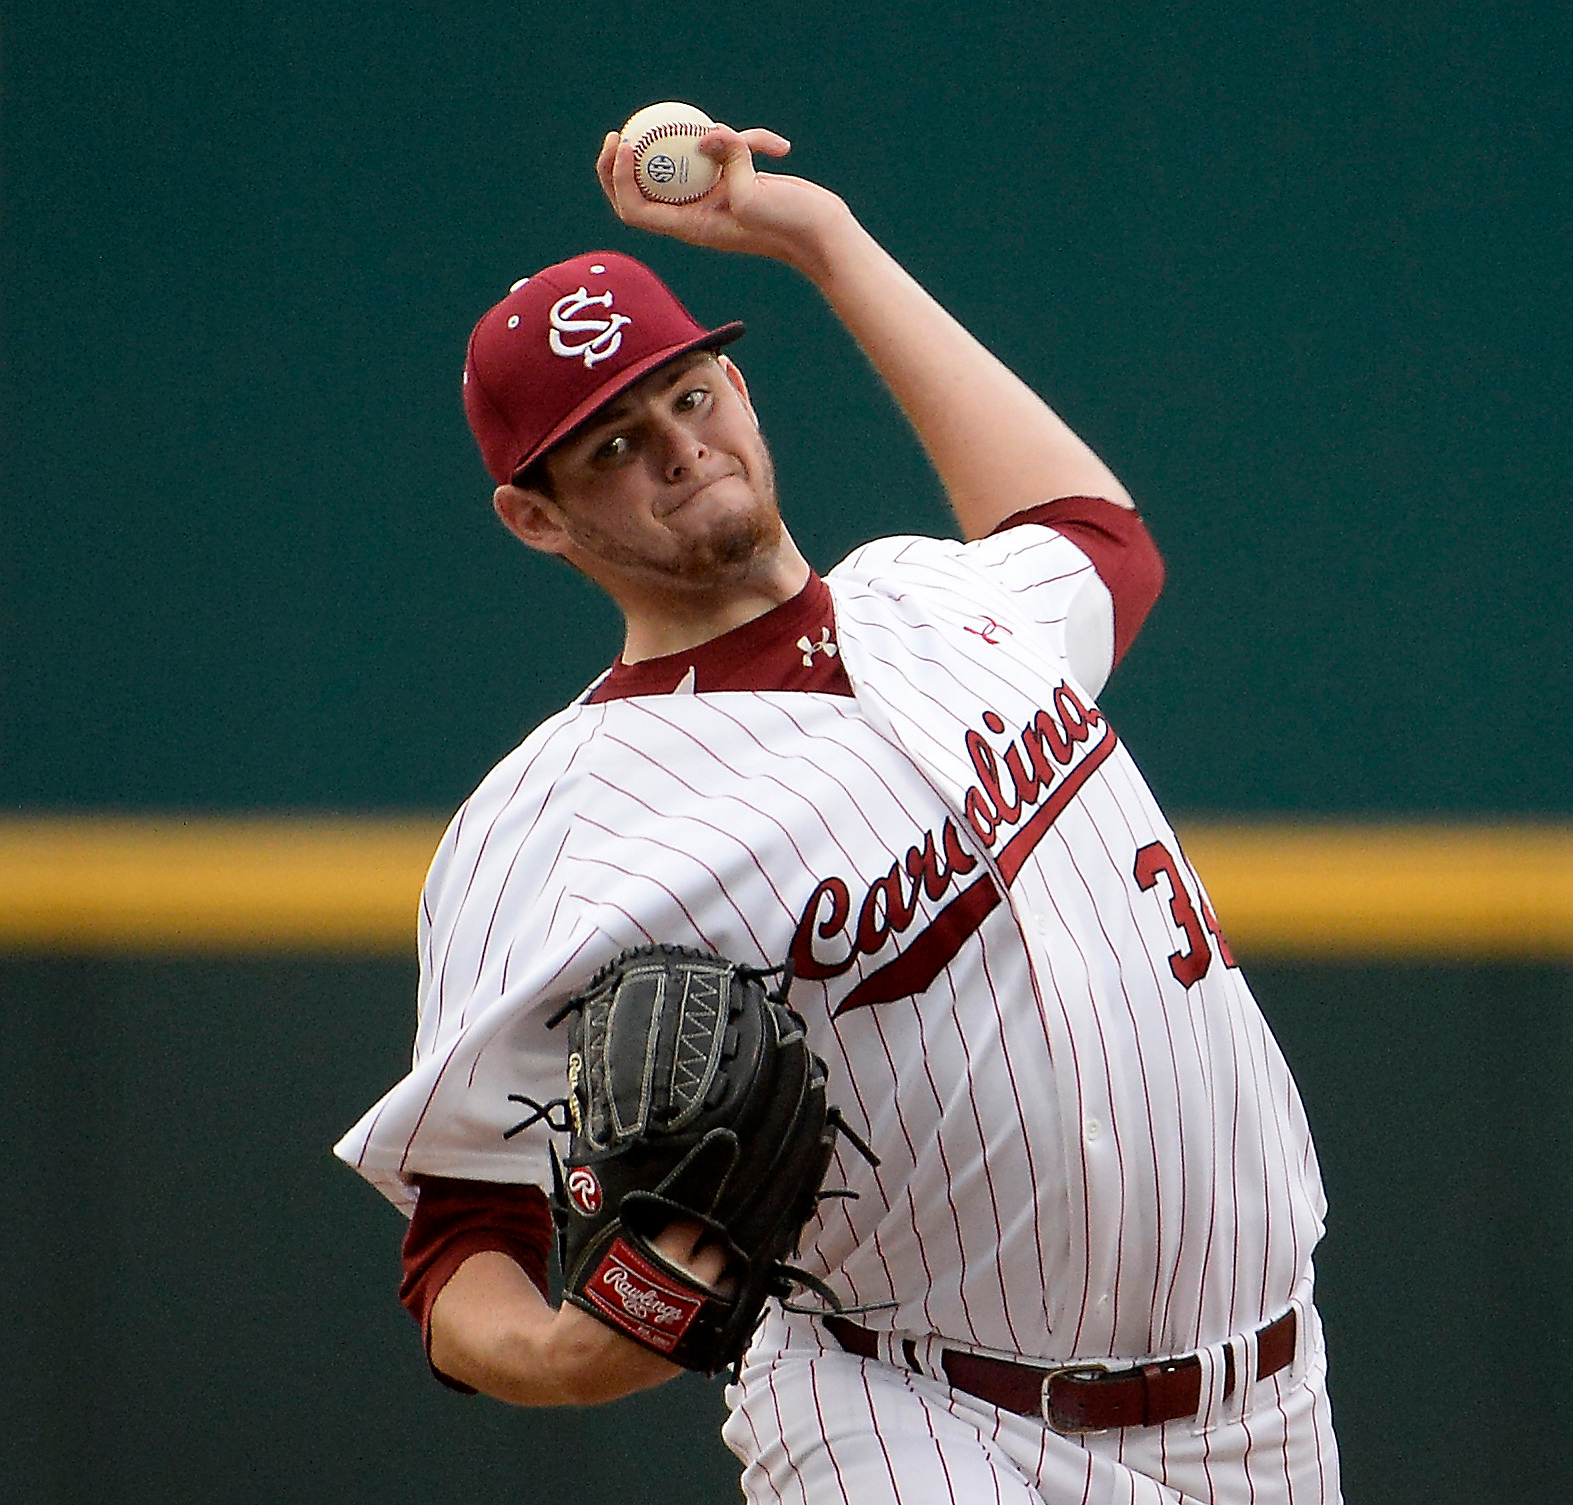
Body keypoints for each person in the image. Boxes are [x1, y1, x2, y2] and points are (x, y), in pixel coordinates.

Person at [337, 121, 1341, 1503]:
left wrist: (822, 239)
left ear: (739, 391)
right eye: (614, 442)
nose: (678, 449)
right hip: (915, 1422)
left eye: (688, 396)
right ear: (537, 519)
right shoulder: (552, 822)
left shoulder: (942, 597)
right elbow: (458, 1238)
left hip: (1270, 1400)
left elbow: (1102, 540)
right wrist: (566, 1357)